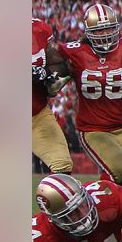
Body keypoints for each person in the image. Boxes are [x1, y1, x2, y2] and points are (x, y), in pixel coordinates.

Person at [49, 3, 122, 201]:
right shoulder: (75, 51)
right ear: (88, 32)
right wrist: (52, 77)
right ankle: (83, 201)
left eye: (109, 28)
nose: (105, 34)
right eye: (99, 29)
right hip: (94, 130)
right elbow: (51, 61)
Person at [31, 18, 73, 175]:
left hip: (36, 116)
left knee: (62, 167)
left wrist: (48, 74)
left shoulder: (38, 29)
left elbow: (60, 63)